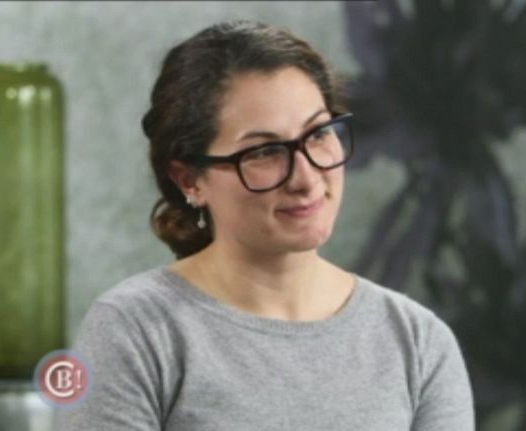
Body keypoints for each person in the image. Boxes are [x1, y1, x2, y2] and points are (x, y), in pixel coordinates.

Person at [56, 20, 474, 431]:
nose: (306, 178)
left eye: (318, 134)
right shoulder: (134, 331)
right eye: (263, 152)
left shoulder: (418, 341)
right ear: (189, 180)